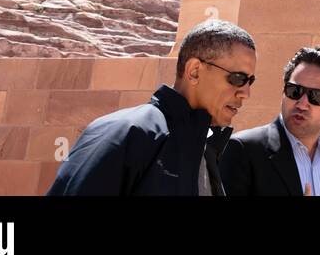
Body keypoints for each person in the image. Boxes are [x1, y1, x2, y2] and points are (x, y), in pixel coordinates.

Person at [45, 19, 256, 195]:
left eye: (250, 81)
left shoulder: (206, 152)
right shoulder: (125, 132)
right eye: (238, 78)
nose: (245, 93)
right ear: (194, 71)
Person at [220, 45, 320, 196]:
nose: (302, 104)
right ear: (283, 91)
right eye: (294, 91)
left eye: (317, 96)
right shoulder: (242, 149)